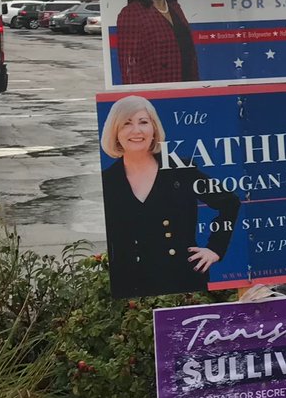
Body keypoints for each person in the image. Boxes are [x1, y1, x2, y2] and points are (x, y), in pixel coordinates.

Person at [100, 95, 239, 298]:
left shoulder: (179, 168)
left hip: (183, 280)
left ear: (154, 129)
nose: (136, 130)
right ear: (115, 132)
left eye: (143, 122)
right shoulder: (108, 181)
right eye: (126, 124)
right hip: (132, 287)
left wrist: (215, 249)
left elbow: (230, 202)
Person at [116, 0, 199, 85]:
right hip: (157, 96)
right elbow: (130, 68)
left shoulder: (175, 7)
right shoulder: (132, 13)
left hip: (187, 91)